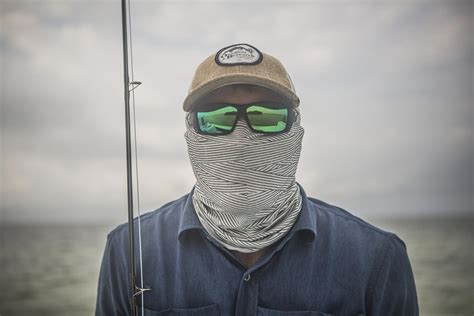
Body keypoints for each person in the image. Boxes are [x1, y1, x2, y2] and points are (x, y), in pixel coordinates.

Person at [96, 43, 418, 316]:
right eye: (216, 118)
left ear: (295, 129)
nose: (241, 138)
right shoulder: (128, 252)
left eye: (266, 116)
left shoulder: (378, 259)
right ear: (192, 130)